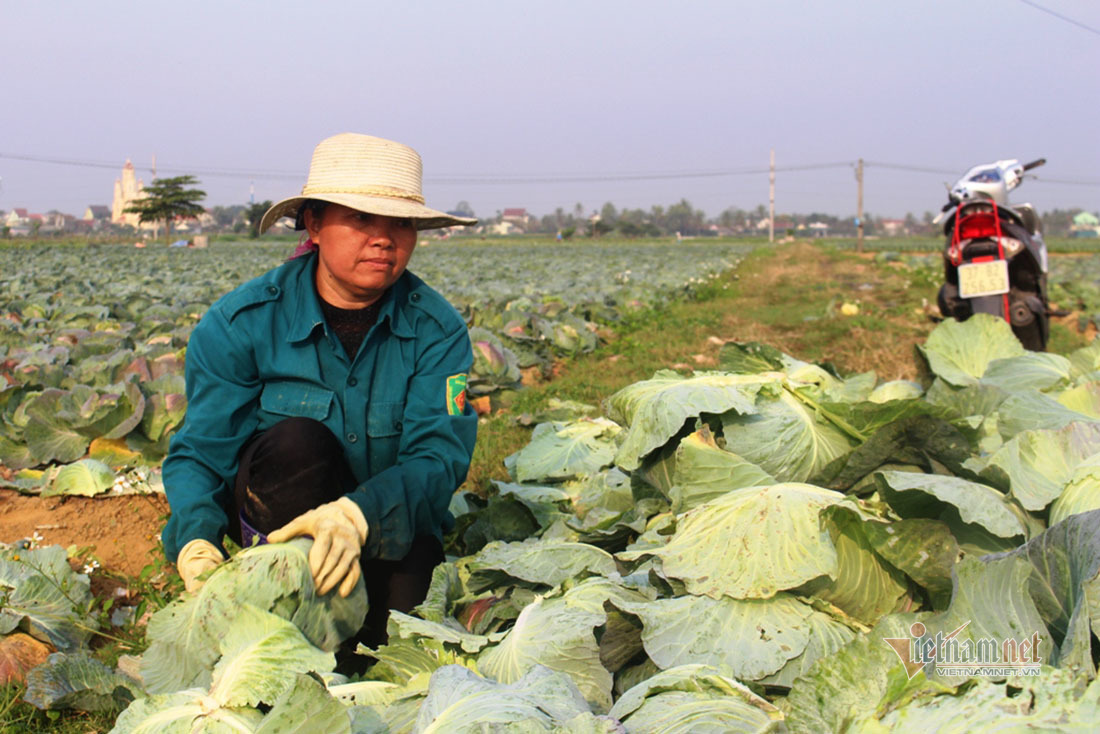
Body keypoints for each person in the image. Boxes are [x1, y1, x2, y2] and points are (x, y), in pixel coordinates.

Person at [161, 132, 478, 653]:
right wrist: (195, 538)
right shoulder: (242, 322)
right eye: (361, 218)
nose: (384, 239)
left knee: (397, 640)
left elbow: (438, 457)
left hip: (385, 525)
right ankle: (274, 596)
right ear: (313, 222)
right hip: (283, 537)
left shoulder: (436, 330)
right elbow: (202, 450)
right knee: (297, 443)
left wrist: (356, 516)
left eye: (401, 223)